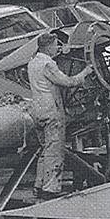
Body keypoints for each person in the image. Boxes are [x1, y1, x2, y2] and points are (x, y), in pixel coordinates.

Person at [27, 32, 92, 199]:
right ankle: (51, 189)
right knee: (55, 151)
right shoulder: (48, 64)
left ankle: (39, 186)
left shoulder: (33, 62)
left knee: (44, 150)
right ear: (48, 46)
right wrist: (86, 71)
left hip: (37, 111)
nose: (57, 47)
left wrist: (63, 50)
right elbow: (68, 82)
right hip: (52, 112)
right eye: (55, 45)